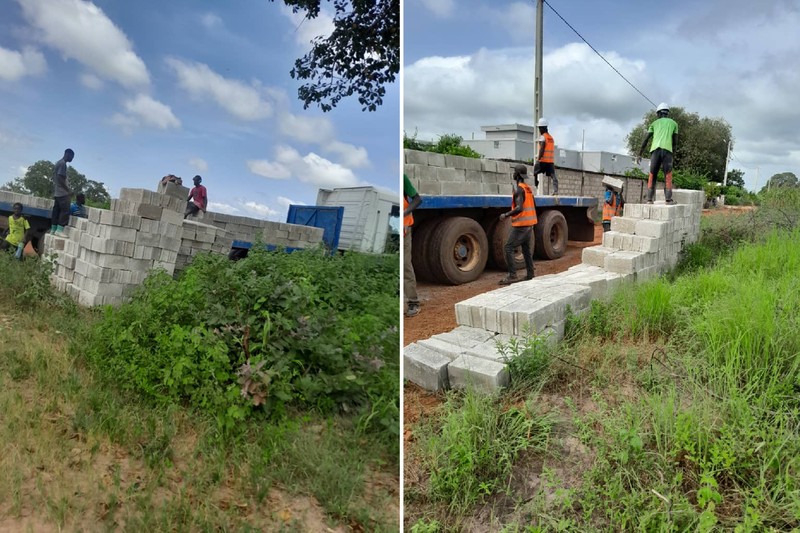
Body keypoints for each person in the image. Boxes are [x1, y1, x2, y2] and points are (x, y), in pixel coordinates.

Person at [498, 164, 536, 285]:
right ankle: (530, 273)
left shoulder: (519, 189)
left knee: (508, 247)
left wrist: (506, 214)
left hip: (522, 225)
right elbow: (533, 205)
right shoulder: (528, 189)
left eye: (514, 172)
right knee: (526, 249)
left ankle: (512, 275)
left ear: (518, 175)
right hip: (529, 225)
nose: (513, 174)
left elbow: (519, 208)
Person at [637, 102, 679, 204]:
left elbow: (646, 139)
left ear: (659, 113)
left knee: (652, 174)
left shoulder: (654, 124)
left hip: (655, 151)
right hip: (667, 151)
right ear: (667, 113)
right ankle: (668, 200)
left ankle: (649, 199)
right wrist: (672, 153)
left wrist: (639, 154)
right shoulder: (674, 124)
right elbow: (675, 142)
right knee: (667, 175)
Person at [403, 174, 422, 317]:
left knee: (404, 264)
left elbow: (417, 199)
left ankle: (413, 302)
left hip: (404, 227)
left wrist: (404, 213)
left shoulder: (402, 178)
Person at [51, 148, 75, 234]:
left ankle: (53, 229)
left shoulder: (58, 162)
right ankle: (59, 230)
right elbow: (60, 178)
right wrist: (68, 190)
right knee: (65, 211)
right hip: (63, 193)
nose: (72, 159)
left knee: (56, 211)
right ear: (68, 154)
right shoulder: (62, 164)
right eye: (72, 157)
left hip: (57, 192)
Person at [533, 117, 558, 195]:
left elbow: (542, 149)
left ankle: (536, 183)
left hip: (543, 160)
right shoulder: (551, 138)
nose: (539, 130)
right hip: (550, 161)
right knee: (553, 176)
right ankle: (555, 190)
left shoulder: (543, 137)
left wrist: (538, 159)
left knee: (535, 171)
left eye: (539, 128)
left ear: (542, 128)